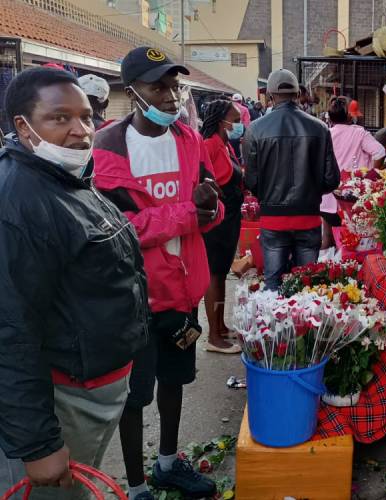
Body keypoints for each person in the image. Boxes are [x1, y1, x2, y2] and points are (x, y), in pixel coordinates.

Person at [0, 67, 148, 498]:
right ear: (23, 126)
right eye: (60, 118)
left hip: (93, 391)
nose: (81, 131)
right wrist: (39, 445)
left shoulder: (63, 176)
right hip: (64, 398)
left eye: (85, 116)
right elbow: (10, 331)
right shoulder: (19, 202)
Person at [93, 47, 222, 500]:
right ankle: (136, 486)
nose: (170, 96)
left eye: (174, 86)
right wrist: (190, 213)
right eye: (157, 87)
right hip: (135, 296)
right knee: (134, 396)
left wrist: (212, 208)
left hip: (182, 290)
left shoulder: (188, 139)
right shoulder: (107, 149)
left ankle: (168, 463)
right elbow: (120, 228)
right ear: (132, 92)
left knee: (175, 379)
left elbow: (210, 205)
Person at [243, 68, 340, 290]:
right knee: (306, 287)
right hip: (308, 216)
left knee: (273, 285)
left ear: (270, 96)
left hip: (273, 218)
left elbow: (251, 180)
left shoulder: (255, 129)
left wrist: (267, 196)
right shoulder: (320, 128)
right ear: (297, 94)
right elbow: (331, 179)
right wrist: (311, 192)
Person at [200, 100, 245, 354]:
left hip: (229, 217)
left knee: (221, 273)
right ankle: (213, 336)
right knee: (214, 274)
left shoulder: (224, 145)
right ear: (221, 121)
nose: (239, 125)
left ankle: (220, 325)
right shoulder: (209, 145)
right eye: (235, 120)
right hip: (218, 220)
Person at [320, 96, 385, 250]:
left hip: (326, 201)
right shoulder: (359, 133)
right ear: (350, 116)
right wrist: (370, 176)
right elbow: (380, 152)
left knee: (328, 242)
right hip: (350, 201)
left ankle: (326, 261)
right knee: (350, 245)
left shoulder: (325, 134)